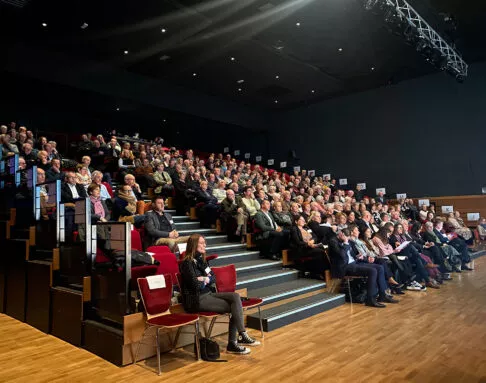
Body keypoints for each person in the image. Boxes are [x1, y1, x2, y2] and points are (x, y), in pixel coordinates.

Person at [179, 234, 260, 354]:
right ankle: (234, 342)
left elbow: (213, 278)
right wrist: (204, 280)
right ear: (194, 244)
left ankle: (241, 335)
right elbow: (195, 285)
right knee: (235, 308)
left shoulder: (202, 260)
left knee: (235, 297)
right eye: (202, 243)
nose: (205, 245)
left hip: (208, 294)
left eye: (204, 242)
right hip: (197, 299)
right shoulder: (186, 263)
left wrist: (204, 279)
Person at [330, 228, 398, 308]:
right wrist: (345, 243)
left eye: (349, 237)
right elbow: (342, 255)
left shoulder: (350, 241)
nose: (348, 238)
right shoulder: (333, 241)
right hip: (345, 267)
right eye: (347, 236)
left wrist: (363, 257)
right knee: (372, 271)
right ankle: (370, 299)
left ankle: (383, 295)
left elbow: (355, 253)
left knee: (379, 267)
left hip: (355, 263)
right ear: (341, 234)